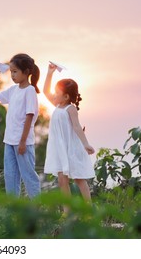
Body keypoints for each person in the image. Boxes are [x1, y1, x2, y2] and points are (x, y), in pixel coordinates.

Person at [43, 63, 95, 213]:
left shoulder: (70, 108)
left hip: (70, 148)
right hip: (58, 149)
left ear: (66, 96)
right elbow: (45, 91)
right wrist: (50, 73)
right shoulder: (57, 104)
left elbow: (77, 127)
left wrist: (86, 144)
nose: (54, 94)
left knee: (79, 179)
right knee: (62, 180)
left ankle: (89, 209)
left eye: (57, 92)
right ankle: (67, 211)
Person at [0, 53, 41, 198]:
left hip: (22, 142)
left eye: (15, 71)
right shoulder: (13, 90)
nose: (12, 75)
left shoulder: (30, 91)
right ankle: (13, 212)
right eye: (11, 71)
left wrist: (22, 141)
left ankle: (37, 211)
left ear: (27, 72)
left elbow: (29, 117)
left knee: (29, 177)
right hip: (9, 141)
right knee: (10, 178)